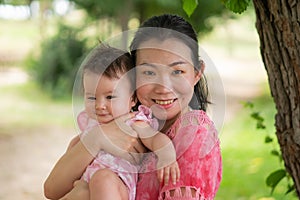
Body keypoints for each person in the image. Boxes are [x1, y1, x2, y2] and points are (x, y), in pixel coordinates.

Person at [44, 14, 222, 200]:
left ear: (197, 73)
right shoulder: (118, 124)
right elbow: (51, 190)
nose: (163, 88)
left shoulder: (194, 135)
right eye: (149, 72)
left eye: (177, 71)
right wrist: (96, 138)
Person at [44, 44, 180, 200]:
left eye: (110, 97)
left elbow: (156, 138)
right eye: (92, 97)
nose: (99, 106)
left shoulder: (133, 123)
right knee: (79, 190)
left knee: (102, 179)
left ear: (132, 99)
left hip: (115, 186)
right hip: (85, 186)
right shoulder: (90, 128)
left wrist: (167, 156)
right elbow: (54, 187)